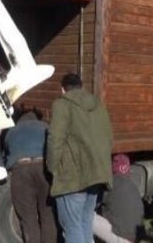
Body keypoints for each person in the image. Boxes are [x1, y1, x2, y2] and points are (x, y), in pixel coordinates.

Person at [46, 73, 113, 243]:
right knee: (85, 222)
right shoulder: (98, 105)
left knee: (72, 227)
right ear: (81, 87)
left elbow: (55, 139)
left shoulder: (62, 105)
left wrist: (52, 168)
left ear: (63, 89)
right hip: (97, 174)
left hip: (72, 178)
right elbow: (108, 137)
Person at [3, 110, 57, 243]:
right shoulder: (44, 127)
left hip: (21, 170)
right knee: (47, 215)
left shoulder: (11, 132)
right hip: (43, 167)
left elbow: (5, 157)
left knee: (28, 218)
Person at [93, 153, 145, 243]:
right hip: (136, 237)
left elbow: (95, 203)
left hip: (120, 236)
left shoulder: (111, 183)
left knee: (86, 217)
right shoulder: (133, 185)